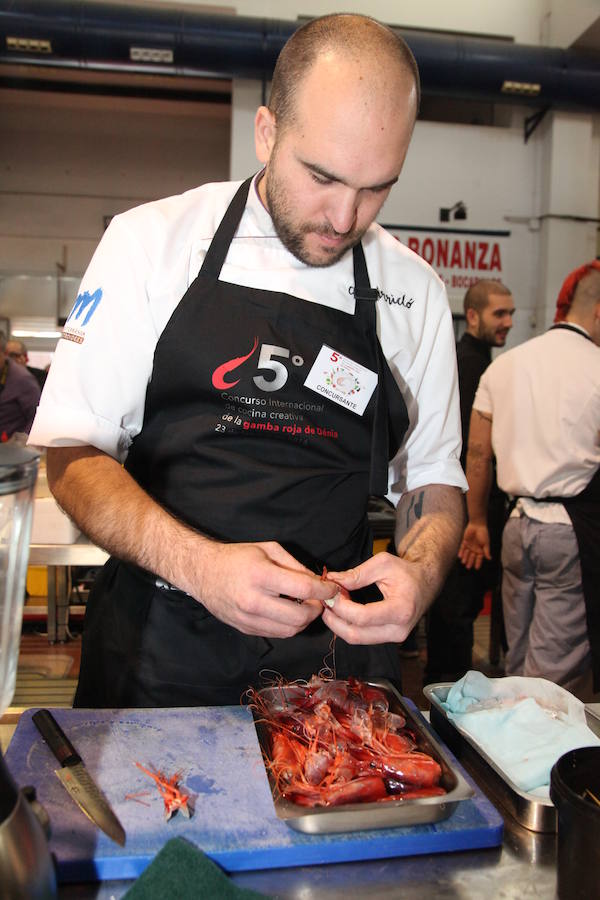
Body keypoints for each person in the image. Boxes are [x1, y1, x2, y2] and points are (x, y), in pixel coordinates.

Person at [29, 13, 466, 708]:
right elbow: (72, 456)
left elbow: (436, 484)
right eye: (322, 176)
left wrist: (419, 569)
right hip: (160, 655)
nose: (345, 217)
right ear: (266, 132)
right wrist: (200, 567)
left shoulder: (413, 292)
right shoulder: (153, 245)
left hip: (335, 669)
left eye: (377, 186)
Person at [459, 261, 600, 699]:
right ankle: (538, 762)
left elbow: (478, 453)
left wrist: (477, 521)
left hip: (516, 528)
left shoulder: (506, 366)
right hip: (571, 532)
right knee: (555, 675)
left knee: (517, 657)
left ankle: (504, 755)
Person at [424, 280, 515, 684]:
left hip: (465, 508)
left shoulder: (480, 364)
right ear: (473, 315)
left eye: (511, 313)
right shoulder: (471, 366)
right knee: (455, 615)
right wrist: (467, 518)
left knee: (457, 612)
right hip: (461, 509)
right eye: (500, 314)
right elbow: (462, 452)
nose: (508, 322)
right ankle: (446, 712)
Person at [0, 331, 41, 441]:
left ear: (5, 353)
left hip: (12, 449)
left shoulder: (22, 379)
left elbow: (37, 417)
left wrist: (23, 442)